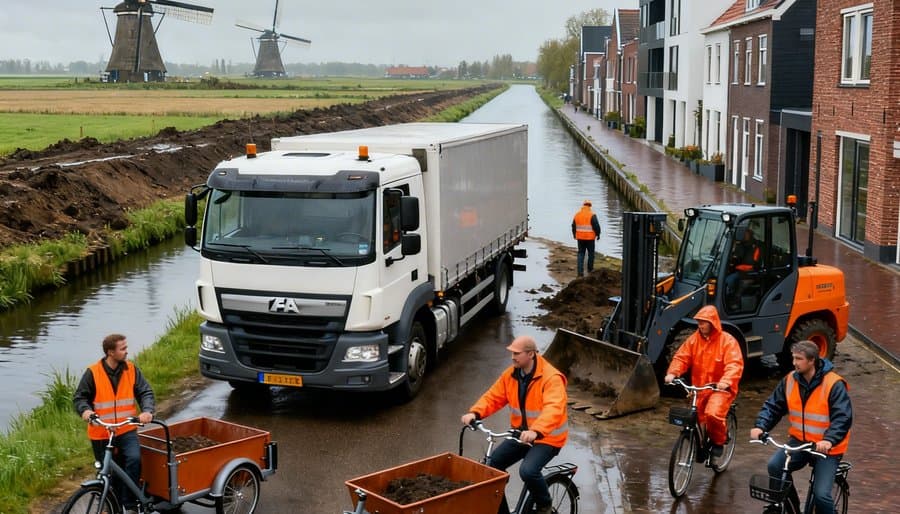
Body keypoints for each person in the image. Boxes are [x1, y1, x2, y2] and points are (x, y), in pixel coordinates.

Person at [460, 336, 568, 514]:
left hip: (547, 438)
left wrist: (536, 431)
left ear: (531, 354)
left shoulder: (551, 378)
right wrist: (475, 412)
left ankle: (545, 505)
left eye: (517, 353)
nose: (512, 357)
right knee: (491, 470)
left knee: (528, 471)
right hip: (521, 434)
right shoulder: (511, 374)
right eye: (512, 353)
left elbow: (553, 409)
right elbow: (493, 396)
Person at [750, 340, 852, 514]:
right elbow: (773, 406)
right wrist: (761, 426)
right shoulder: (790, 380)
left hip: (827, 448)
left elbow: (843, 417)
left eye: (799, 359)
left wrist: (829, 440)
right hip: (800, 442)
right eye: (793, 358)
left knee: (821, 495)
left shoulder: (833, 384)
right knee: (775, 466)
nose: (794, 363)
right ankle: (792, 510)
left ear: (812, 360)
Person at [74, 333, 155, 513]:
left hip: (126, 429)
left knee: (133, 460)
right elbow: (80, 398)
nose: (127, 351)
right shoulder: (93, 373)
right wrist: (86, 411)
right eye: (123, 348)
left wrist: (147, 411)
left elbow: (145, 392)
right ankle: (113, 505)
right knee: (108, 472)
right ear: (110, 352)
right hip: (102, 433)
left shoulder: (131, 370)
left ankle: (129, 503)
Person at [664, 305, 744, 457]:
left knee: (712, 414)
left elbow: (734, 364)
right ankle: (700, 445)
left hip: (720, 389)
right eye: (699, 322)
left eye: (704, 322)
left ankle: (718, 441)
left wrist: (726, 381)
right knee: (696, 416)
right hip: (699, 387)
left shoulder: (727, 341)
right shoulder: (694, 340)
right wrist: (673, 373)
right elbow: (682, 357)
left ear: (713, 322)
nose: (700, 325)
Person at [725, 223, 762, 310]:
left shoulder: (756, 247)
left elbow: (753, 264)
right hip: (739, 271)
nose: (744, 235)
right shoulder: (741, 245)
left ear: (750, 233)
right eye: (743, 233)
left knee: (729, 280)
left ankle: (735, 301)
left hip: (749, 274)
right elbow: (736, 257)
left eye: (746, 232)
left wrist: (736, 265)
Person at [571, 199, 602, 277]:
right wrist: (598, 235)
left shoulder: (577, 215)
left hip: (580, 238)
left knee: (581, 253)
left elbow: (573, 226)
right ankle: (590, 269)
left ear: (583, 205)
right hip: (590, 239)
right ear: (590, 206)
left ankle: (580, 272)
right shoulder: (592, 215)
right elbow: (596, 226)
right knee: (591, 254)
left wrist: (574, 234)